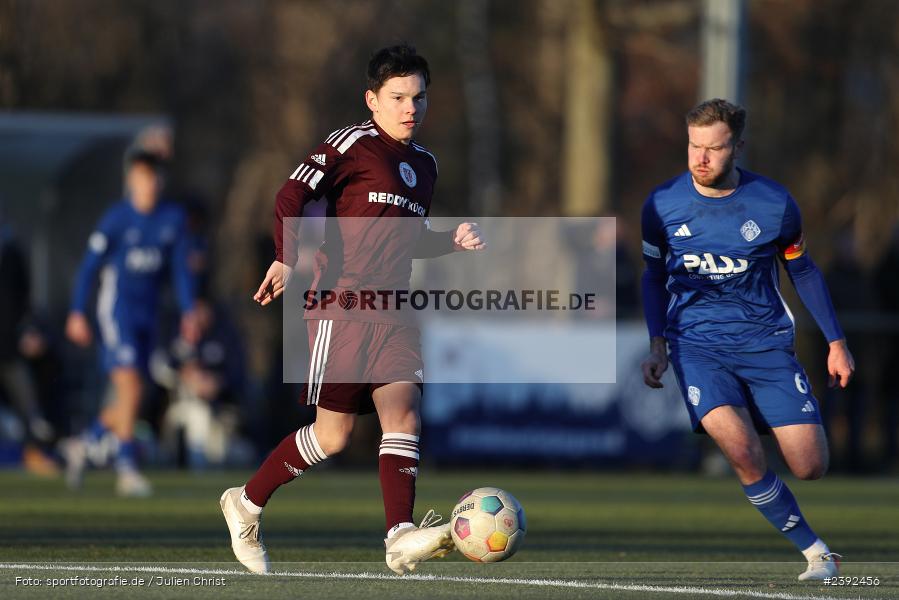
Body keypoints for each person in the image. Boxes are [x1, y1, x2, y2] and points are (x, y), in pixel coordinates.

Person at [219, 44, 485, 576]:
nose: (411, 107)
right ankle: (245, 504)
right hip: (340, 304)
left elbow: (408, 239)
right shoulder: (352, 144)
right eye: (399, 97)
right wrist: (285, 257)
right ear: (372, 99)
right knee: (333, 436)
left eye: (419, 97)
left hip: (394, 309)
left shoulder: (425, 165)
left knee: (403, 413)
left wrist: (449, 243)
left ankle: (399, 535)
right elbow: (291, 195)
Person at [639, 99, 854, 581]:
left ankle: (759, 407)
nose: (701, 158)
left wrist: (836, 342)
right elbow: (652, 277)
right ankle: (817, 553)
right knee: (742, 453)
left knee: (810, 465)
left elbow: (803, 271)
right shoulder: (661, 204)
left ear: (737, 147)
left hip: (765, 345)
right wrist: (658, 344)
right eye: (694, 146)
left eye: (714, 149)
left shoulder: (775, 204)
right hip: (697, 347)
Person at [64, 150, 197, 497]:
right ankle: (126, 467)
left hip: (149, 315)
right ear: (131, 181)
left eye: (153, 177)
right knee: (130, 386)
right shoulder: (117, 219)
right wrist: (77, 311)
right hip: (117, 310)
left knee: (135, 393)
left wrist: (189, 311)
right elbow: (89, 267)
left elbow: (181, 271)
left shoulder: (173, 219)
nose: (148, 184)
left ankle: (85, 444)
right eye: (142, 177)